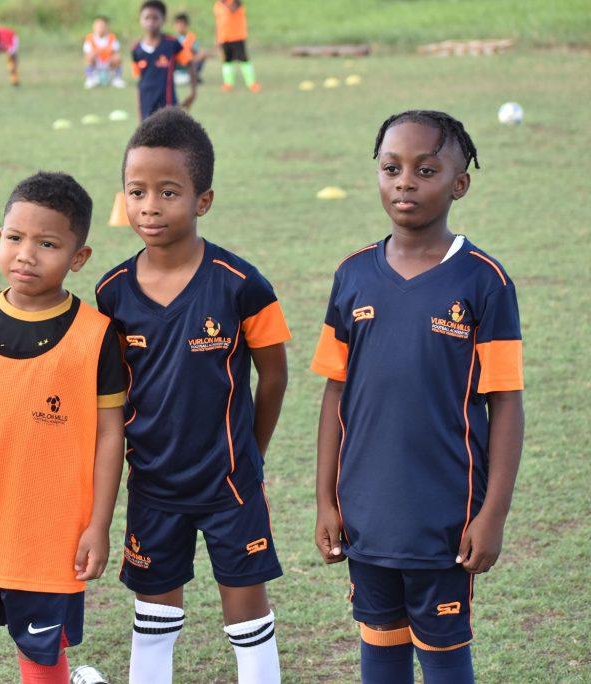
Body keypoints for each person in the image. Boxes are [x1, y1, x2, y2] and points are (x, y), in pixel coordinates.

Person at [310, 110, 525, 684]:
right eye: (391, 167)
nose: (404, 181)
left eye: (425, 170)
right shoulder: (352, 275)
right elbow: (335, 395)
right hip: (366, 514)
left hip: (446, 519)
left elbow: (505, 403)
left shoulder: (484, 281)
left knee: (444, 655)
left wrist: (493, 514)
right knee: (378, 648)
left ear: (460, 184)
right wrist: (325, 501)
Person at [96, 108, 289, 684]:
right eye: (136, 191)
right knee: (154, 614)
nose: (149, 206)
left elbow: (273, 377)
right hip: (152, 483)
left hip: (230, 484)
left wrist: (249, 454)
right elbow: (106, 400)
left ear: (203, 200)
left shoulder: (242, 284)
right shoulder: (110, 294)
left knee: (246, 613)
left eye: (168, 192)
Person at [0, 172, 126, 684]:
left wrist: (97, 525)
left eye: (47, 243)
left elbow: (109, 436)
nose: (26, 254)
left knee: (40, 654)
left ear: (78, 257)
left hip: (48, 536)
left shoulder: (96, 335)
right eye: (14, 237)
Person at [131, 1, 193, 121]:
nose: (151, 22)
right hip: (146, 105)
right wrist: (139, 112)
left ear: (163, 19)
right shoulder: (136, 50)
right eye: (147, 18)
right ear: (140, 20)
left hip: (168, 104)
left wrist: (193, 94)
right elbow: (139, 82)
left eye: (155, 18)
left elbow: (190, 63)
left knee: (172, 137)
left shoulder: (172, 44)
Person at [212, 0, 259, 92]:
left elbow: (232, 9)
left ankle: (252, 84)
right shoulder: (217, 5)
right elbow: (218, 22)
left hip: (237, 37)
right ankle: (228, 83)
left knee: (244, 60)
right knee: (227, 61)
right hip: (224, 38)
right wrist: (217, 38)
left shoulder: (235, 2)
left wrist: (223, 2)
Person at [83, 15, 124, 89]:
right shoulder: (89, 38)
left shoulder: (112, 37)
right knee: (89, 56)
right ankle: (90, 78)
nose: (100, 28)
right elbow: (88, 53)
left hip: (108, 62)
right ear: (94, 27)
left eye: (102, 26)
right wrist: (100, 51)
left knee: (117, 57)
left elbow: (114, 50)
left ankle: (116, 79)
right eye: (97, 26)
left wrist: (101, 51)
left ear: (107, 27)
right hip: (96, 62)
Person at [173, 13, 205, 86]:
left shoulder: (191, 37)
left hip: (189, 64)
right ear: (175, 25)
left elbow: (198, 51)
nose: (181, 26)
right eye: (179, 24)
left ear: (187, 25)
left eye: (183, 24)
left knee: (202, 54)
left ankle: (192, 75)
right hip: (177, 64)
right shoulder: (172, 39)